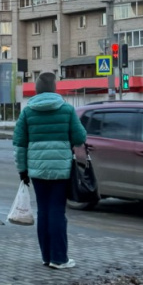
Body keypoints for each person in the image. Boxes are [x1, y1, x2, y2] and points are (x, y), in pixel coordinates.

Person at [13, 72, 86, 270]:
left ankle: (46, 257)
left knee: (43, 212)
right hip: (61, 169)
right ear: (54, 88)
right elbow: (80, 137)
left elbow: (19, 144)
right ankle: (59, 258)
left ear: (36, 90)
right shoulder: (67, 110)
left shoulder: (27, 112)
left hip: (36, 170)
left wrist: (22, 170)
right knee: (57, 212)